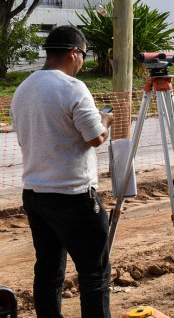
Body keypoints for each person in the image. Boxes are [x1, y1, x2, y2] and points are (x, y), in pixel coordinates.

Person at [11, 25, 114, 317]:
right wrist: (104, 120)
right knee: (94, 275)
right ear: (73, 53)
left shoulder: (24, 88)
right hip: (73, 196)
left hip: (35, 194)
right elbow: (95, 138)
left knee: (48, 271)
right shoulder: (72, 88)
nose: (82, 63)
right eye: (83, 56)